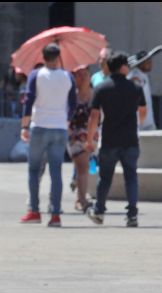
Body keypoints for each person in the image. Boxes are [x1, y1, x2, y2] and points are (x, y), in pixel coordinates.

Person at [86, 51, 146, 228]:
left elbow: (94, 116)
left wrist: (89, 139)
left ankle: (99, 211)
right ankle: (132, 215)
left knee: (105, 178)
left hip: (109, 139)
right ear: (122, 67)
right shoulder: (135, 87)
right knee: (131, 178)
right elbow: (143, 111)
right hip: (130, 140)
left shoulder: (101, 88)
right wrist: (138, 124)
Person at [19, 43, 76, 227]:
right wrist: (66, 121)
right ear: (59, 57)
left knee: (34, 170)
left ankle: (34, 211)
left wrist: (24, 126)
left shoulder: (36, 75)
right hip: (60, 128)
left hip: (39, 126)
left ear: (43, 57)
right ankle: (56, 215)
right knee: (56, 172)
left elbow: (28, 101)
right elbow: (73, 104)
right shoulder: (68, 76)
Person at [67, 66, 94, 213]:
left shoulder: (95, 94)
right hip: (75, 136)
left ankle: (80, 198)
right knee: (82, 166)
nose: (82, 78)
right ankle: (81, 199)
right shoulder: (70, 96)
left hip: (92, 136)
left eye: (85, 74)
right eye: (78, 75)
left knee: (84, 168)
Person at [128, 50, 156, 131]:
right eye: (148, 61)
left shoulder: (143, 75)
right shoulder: (134, 76)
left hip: (149, 121)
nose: (151, 63)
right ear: (141, 63)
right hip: (139, 124)